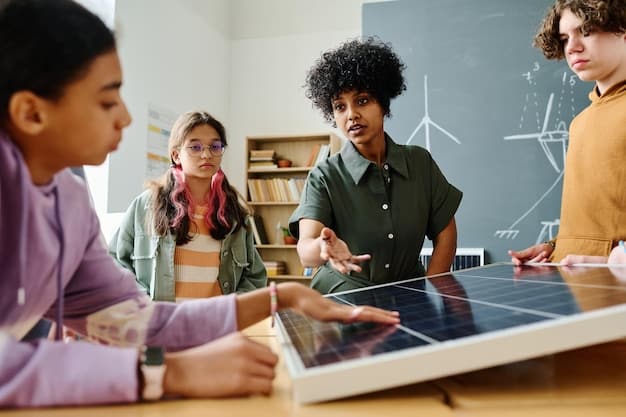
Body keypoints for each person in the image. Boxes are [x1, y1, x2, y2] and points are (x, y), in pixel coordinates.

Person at [0, 0, 399, 408]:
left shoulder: (69, 204)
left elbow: (138, 320)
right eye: (106, 101)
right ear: (31, 113)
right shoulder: (135, 204)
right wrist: (170, 373)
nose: (125, 117)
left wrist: (282, 297)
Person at [289, 38, 462, 294]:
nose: (351, 115)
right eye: (339, 106)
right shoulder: (324, 176)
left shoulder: (420, 163)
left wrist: (430, 287)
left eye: (362, 101)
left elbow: (445, 233)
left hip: (411, 298)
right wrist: (323, 248)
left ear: (383, 104)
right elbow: (306, 250)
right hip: (344, 301)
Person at [509, 0, 626, 265]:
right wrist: (555, 246)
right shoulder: (579, 123)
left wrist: (612, 260)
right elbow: (596, 217)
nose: (572, 47)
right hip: (578, 288)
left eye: (587, 31)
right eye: (564, 38)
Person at [109, 111, 266, 302]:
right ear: (176, 155)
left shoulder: (233, 213)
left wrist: (233, 307)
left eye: (215, 146)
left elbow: (255, 276)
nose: (206, 154)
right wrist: (142, 303)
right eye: (195, 147)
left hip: (217, 326)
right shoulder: (146, 206)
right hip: (162, 325)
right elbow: (115, 264)